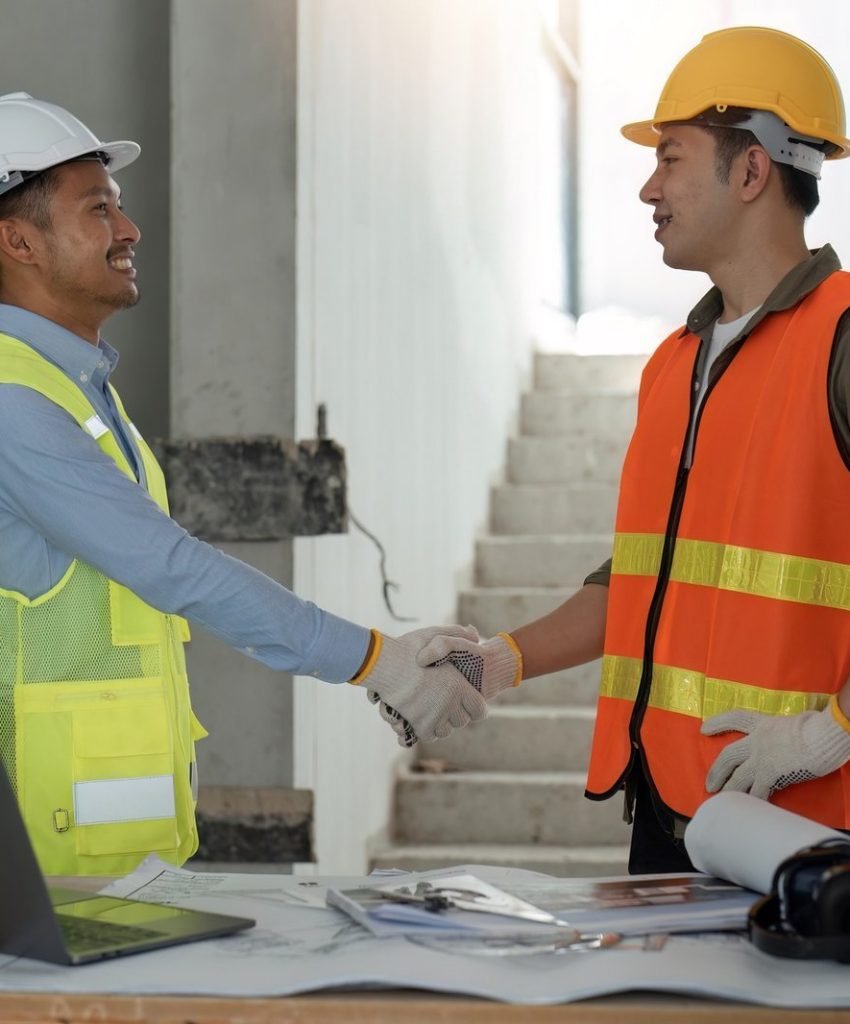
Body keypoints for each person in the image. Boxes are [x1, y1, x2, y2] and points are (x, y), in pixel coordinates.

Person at [381, 26, 850, 873]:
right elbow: (645, 577)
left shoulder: (842, 340)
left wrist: (832, 730)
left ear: (752, 171)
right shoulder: (676, 364)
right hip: (672, 813)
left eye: (670, 158)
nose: (647, 188)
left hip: (810, 830)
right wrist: (495, 663)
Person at [0, 91, 486, 877]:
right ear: (18, 240)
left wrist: (387, 658)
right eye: (98, 209)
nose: (129, 229)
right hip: (40, 859)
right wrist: (379, 661)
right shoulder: (12, 399)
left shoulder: (74, 388)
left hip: (91, 843)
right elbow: (172, 566)